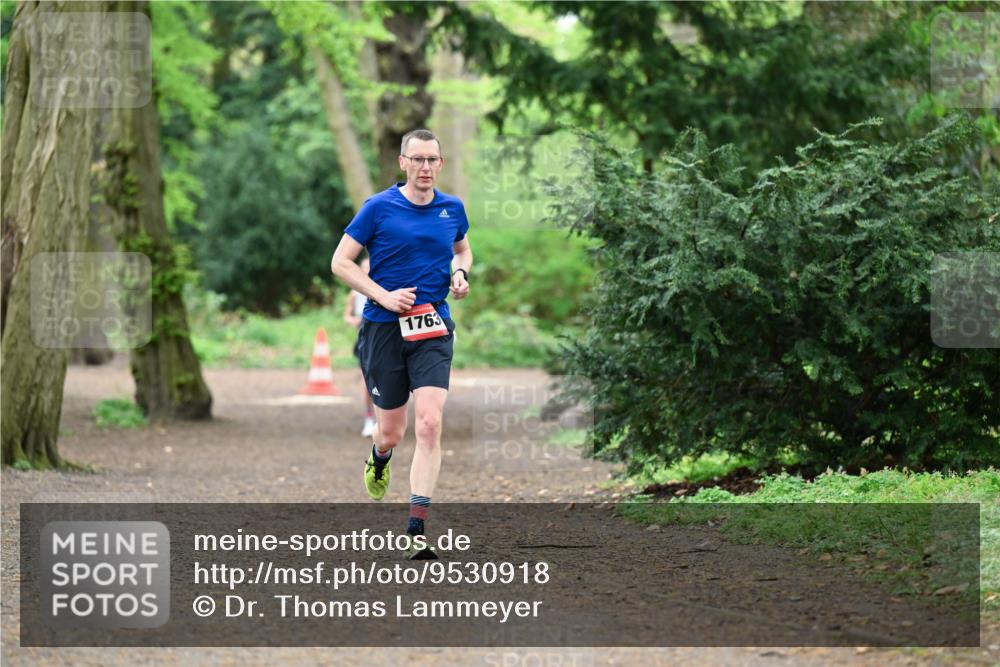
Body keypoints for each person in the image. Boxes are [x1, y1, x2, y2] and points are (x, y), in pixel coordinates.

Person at [330, 128, 472, 560]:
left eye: (432, 159)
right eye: (418, 159)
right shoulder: (378, 208)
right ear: (403, 162)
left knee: (429, 423)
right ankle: (379, 456)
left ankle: (416, 527)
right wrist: (382, 295)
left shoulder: (452, 209)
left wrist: (461, 274)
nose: (425, 167)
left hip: (432, 328)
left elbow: (462, 251)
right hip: (383, 329)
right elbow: (340, 262)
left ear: (441, 164)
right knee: (391, 432)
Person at [343, 256, 375, 437]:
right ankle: (369, 418)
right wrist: (353, 320)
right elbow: (346, 316)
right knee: (366, 379)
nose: (368, 272)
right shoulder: (356, 293)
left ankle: (383, 418)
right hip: (364, 336)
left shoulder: (386, 288)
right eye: (365, 268)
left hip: (383, 334)